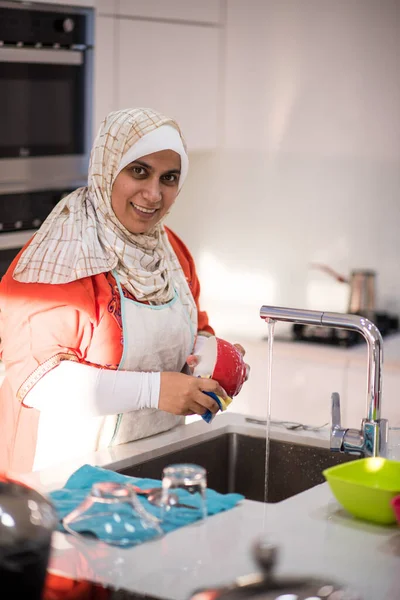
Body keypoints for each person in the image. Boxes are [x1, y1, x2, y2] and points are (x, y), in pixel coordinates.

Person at [0, 107, 248, 474]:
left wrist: (210, 357)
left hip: (151, 464)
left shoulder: (170, 250)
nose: (153, 193)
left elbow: (194, 327)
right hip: (63, 478)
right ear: (107, 168)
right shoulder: (62, 256)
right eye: (139, 171)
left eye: (169, 178)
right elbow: (38, 382)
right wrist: (154, 390)